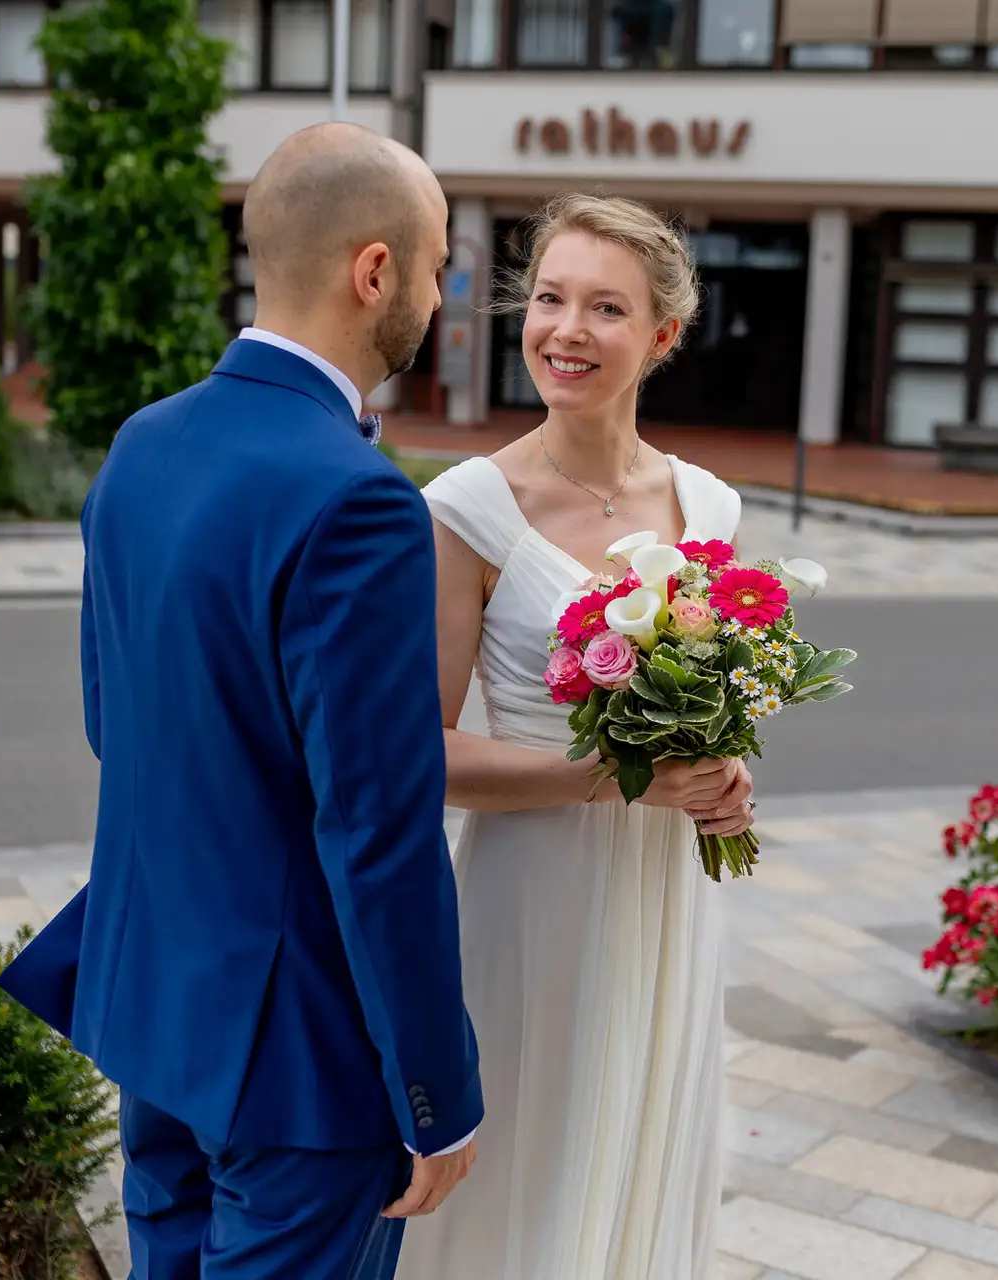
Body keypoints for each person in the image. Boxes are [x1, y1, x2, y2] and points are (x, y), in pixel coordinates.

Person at [0, 122, 482, 1280]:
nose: (441, 286)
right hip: (301, 1063)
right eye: (437, 260)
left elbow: (114, 724)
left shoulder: (144, 442)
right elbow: (377, 828)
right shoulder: (359, 499)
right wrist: (437, 1092)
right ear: (376, 271)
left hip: (156, 1004)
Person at [395, 194, 754, 1280]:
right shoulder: (468, 506)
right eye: (549, 298)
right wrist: (617, 780)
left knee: (646, 1143)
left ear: (661, 336)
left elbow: (720, 700)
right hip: (531, 893)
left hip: (671, 898)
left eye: (606, 307)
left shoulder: (710, 506)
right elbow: (420, 755)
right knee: (529, 1159)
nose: (566, 329)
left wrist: (730, 773)